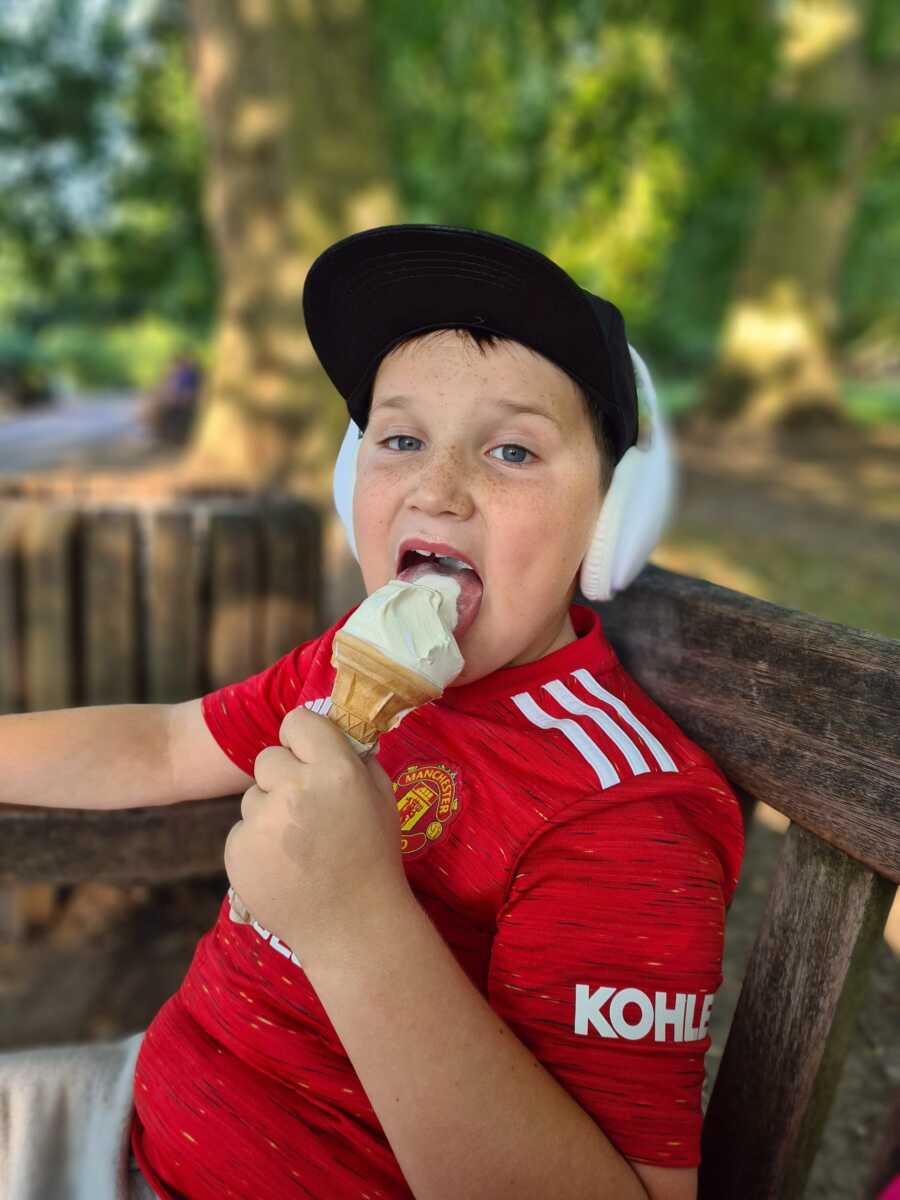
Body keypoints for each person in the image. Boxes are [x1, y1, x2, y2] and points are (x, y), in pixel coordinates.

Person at [0, 224, 744, 1200]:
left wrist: (352, 918)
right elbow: (168, 739)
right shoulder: (341, 659)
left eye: (513, 449)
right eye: (400, 440)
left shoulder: (619, 816)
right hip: (128, 1117)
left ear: (612, 523)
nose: (438, 488)